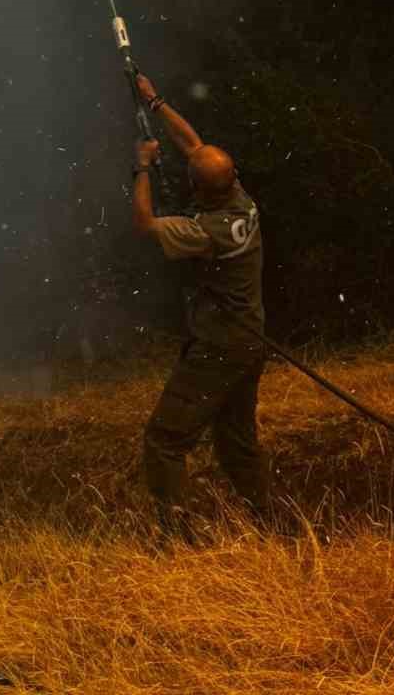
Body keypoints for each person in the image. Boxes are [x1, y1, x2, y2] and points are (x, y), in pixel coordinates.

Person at [130, 72, 271, 539]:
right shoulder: (241, 199)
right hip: (250, 340)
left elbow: (145, 224)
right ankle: (272, 527)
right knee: (237, 443)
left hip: (218, 346)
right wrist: (155, 101)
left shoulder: (204, 232)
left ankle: (177, 540)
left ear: (201, 190)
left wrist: (141, 168)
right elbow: (193, 145)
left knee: (164, 440)